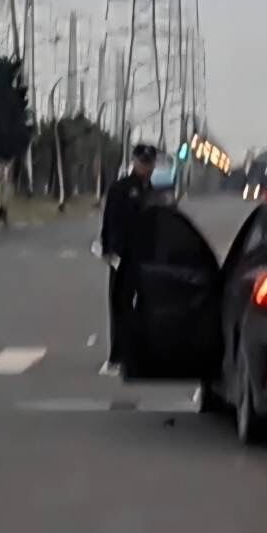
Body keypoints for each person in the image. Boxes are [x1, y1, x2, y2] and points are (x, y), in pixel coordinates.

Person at [99, 142, 157, 375]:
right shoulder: (121, 188)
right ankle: (117, 357)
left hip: (146, 259)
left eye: (149, 163)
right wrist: (108, 249)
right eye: (142, 163)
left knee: (145, 308)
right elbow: (109, 221)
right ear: (134, 162)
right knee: (119, 306)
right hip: (123, 258)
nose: (146, 168)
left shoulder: (154, 193)